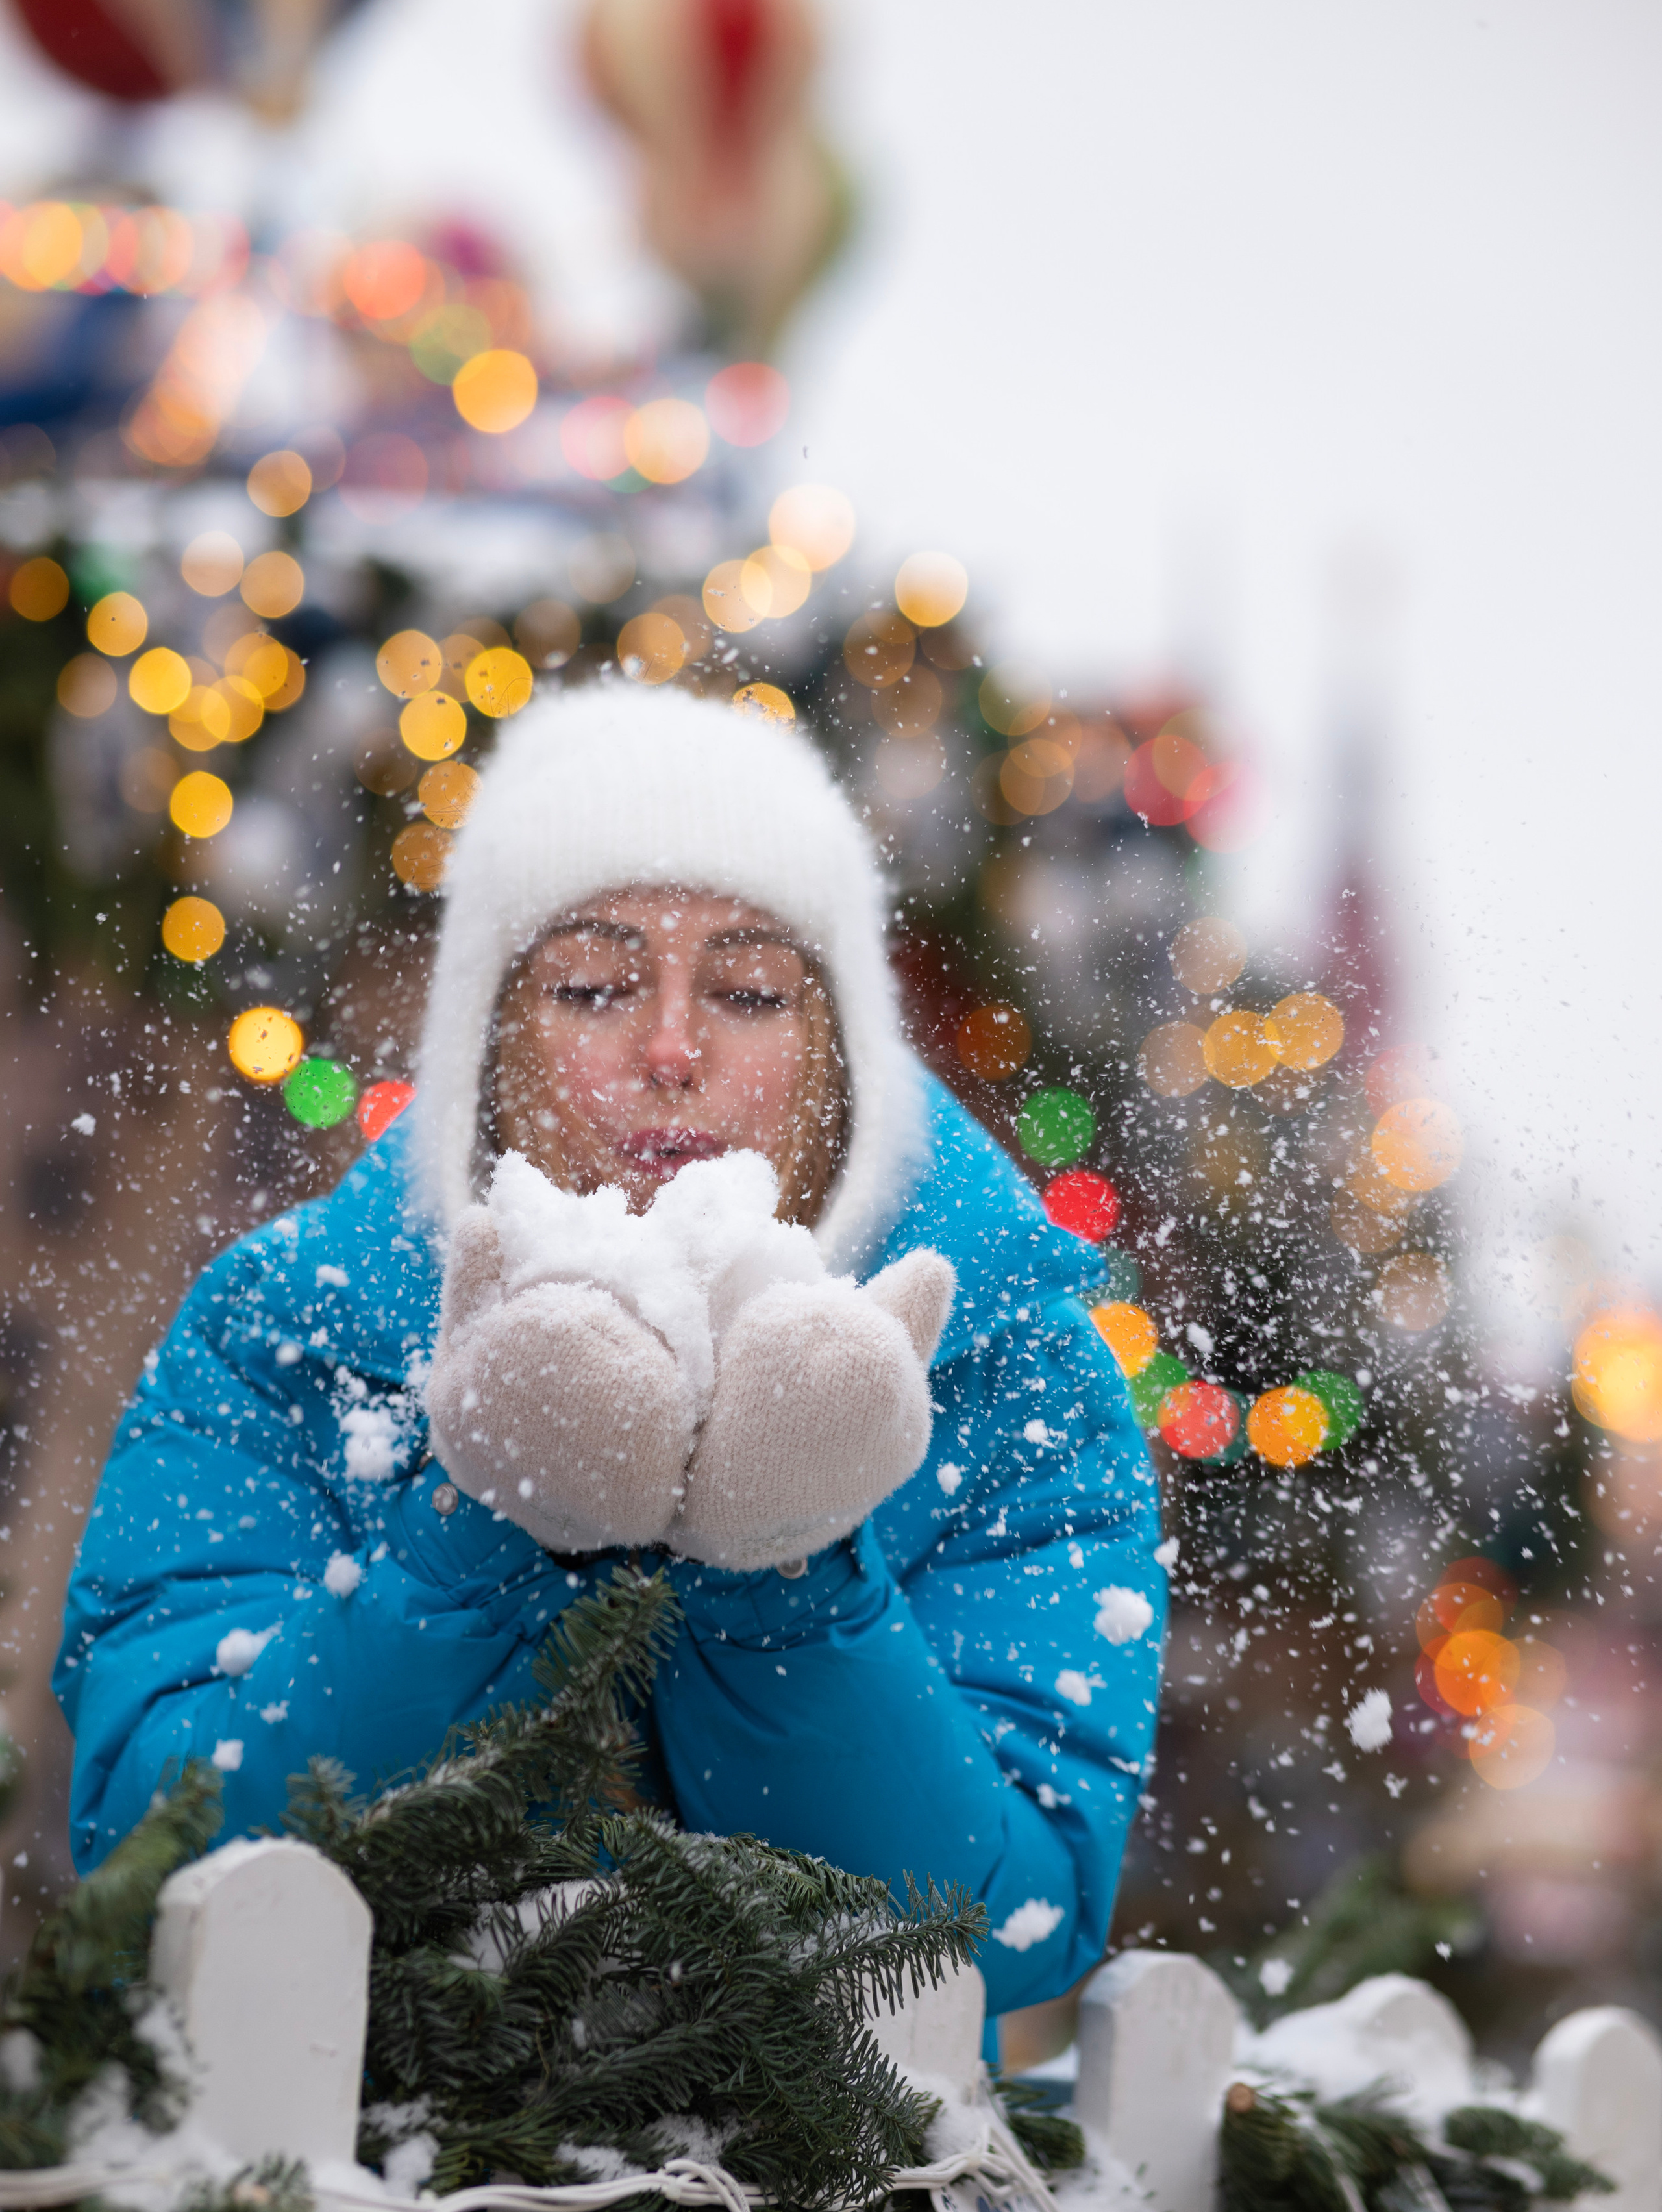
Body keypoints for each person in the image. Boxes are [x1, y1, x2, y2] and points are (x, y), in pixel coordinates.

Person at [54, 682, 1165, 2026]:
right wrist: (481, 1523)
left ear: (842, 1053)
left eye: (749, 991)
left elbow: (1016, 1919)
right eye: (591, 985)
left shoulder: (1014, 1369)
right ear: (488, 1042)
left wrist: (792, 1572)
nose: (671, 1049)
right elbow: (157, 1851)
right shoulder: (285, 1333)